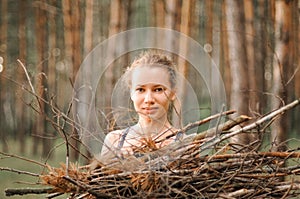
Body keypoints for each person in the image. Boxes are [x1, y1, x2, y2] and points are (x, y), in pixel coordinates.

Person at [100, 50, 182, 162]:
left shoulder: (186, 144)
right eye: (140, 90)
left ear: (173, 93)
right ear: (131, 93)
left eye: (158, 89)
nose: (148, 99)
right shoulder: (114, 141)